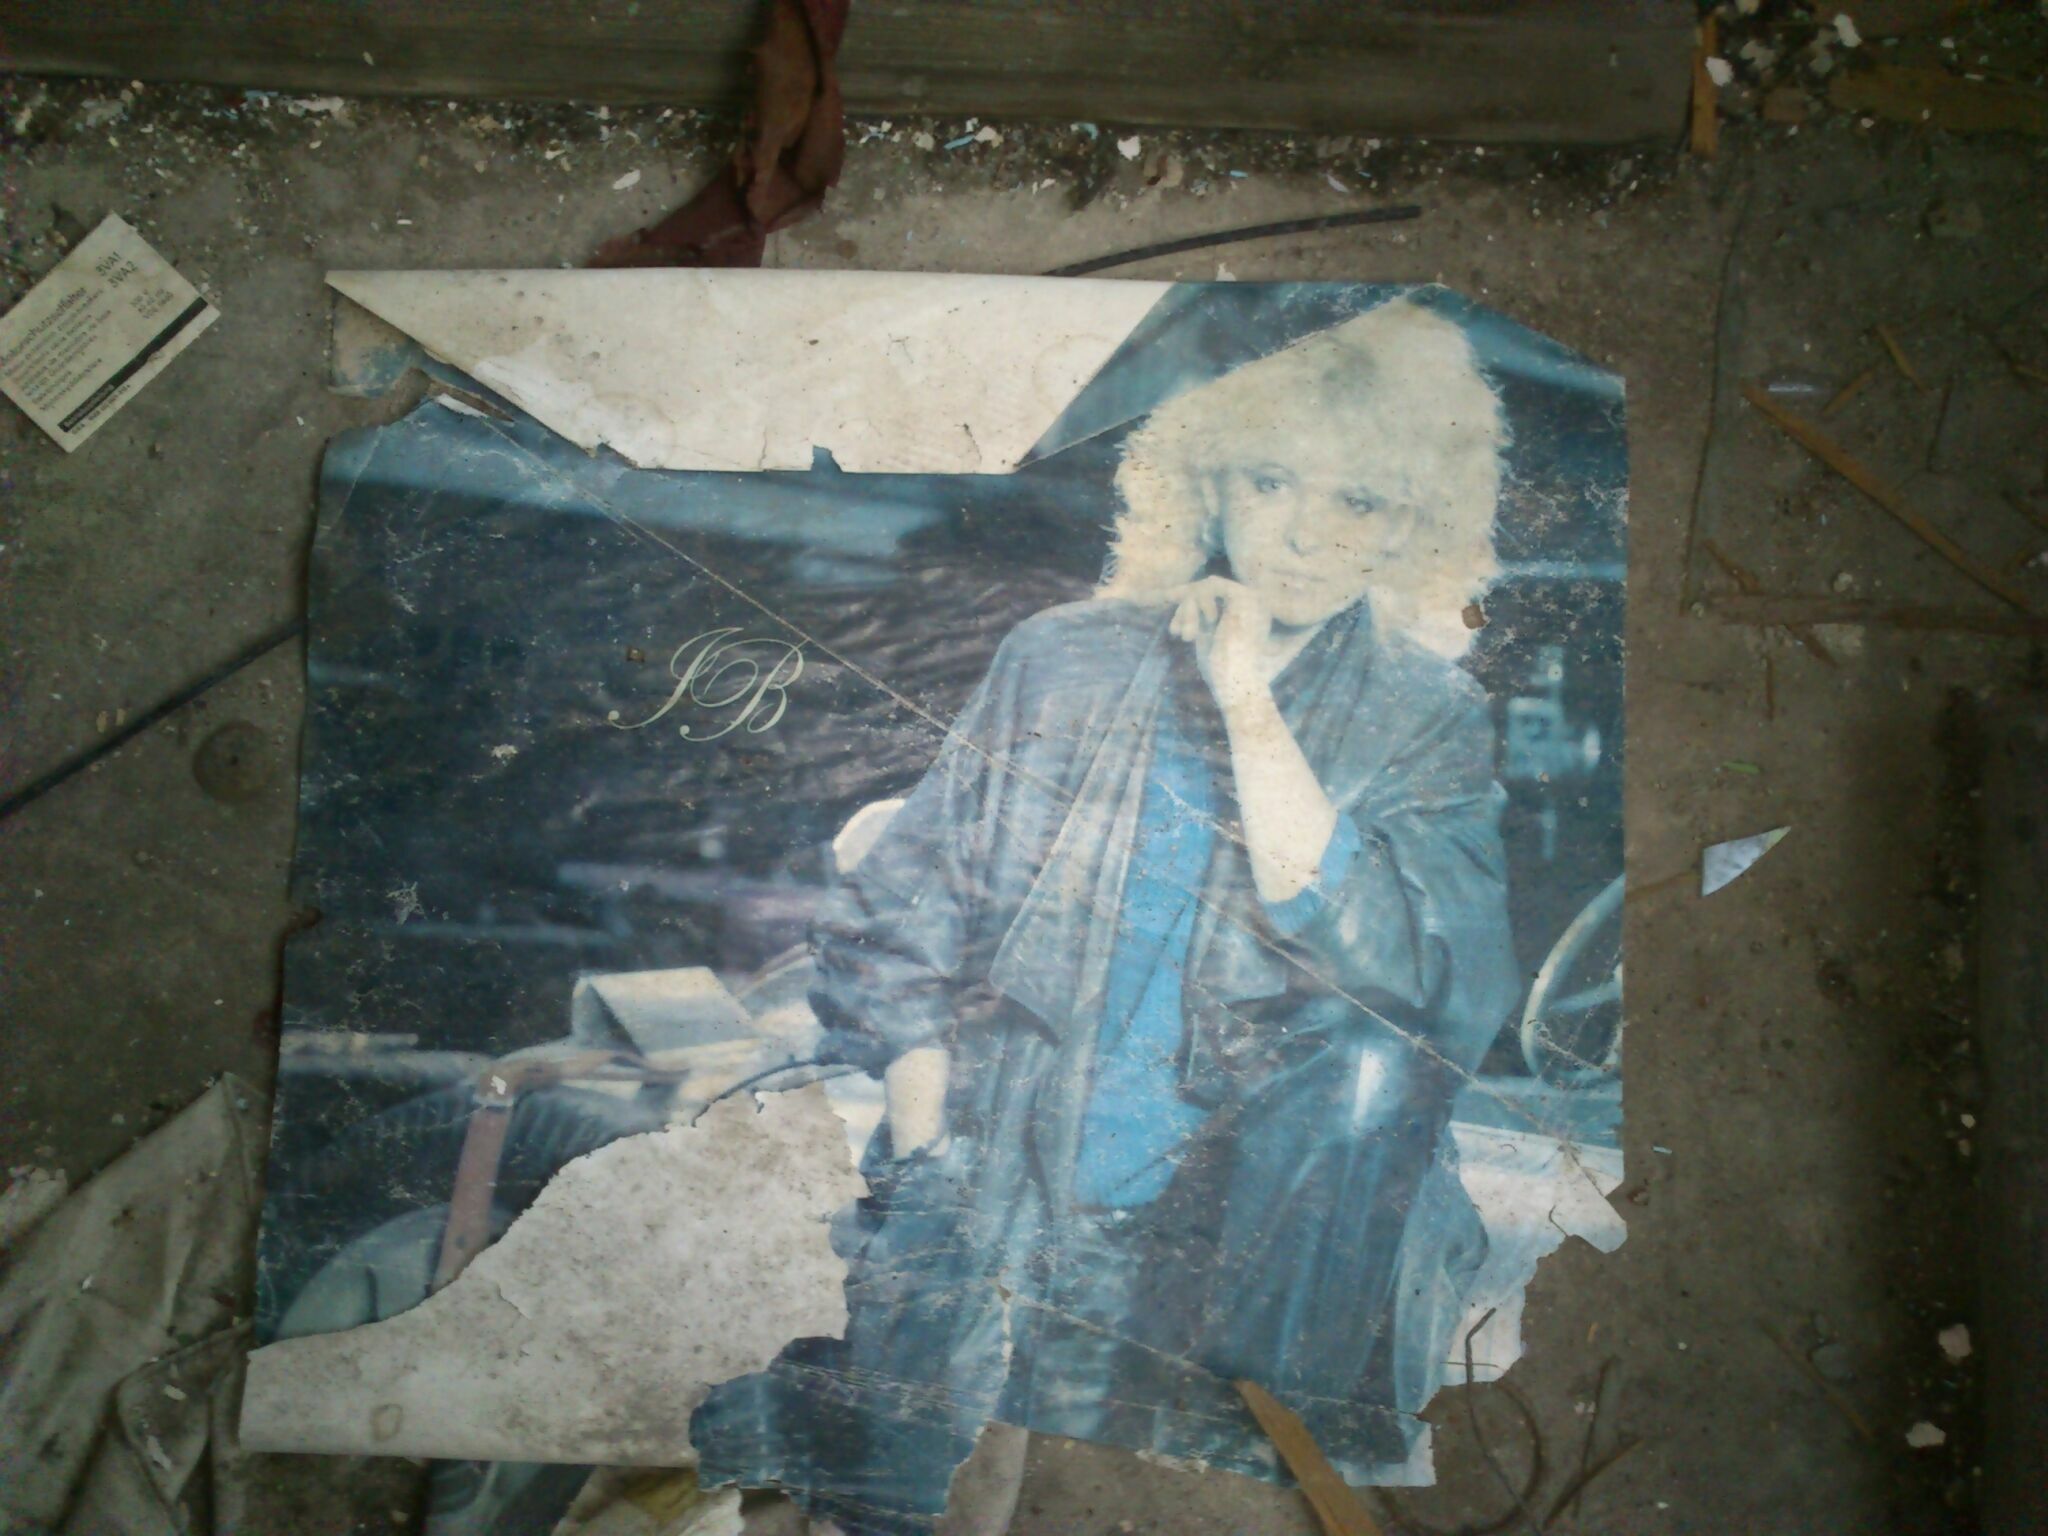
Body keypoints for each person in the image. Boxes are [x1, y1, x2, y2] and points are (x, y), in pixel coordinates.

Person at [694, 296, 1523, 1533]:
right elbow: (901, 911)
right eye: (1271, 482)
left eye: (1358, 501)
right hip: (999, 1196)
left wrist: (1245, 704)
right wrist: (923, 1136)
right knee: (905, 1508)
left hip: (1242, 1261)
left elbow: (1419, 985)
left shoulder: (1424, 716)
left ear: (1410, 522)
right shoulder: (1065, 656)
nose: (1304, 533)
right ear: (1210, 487)